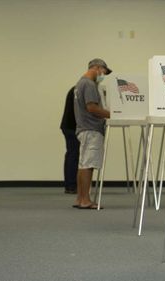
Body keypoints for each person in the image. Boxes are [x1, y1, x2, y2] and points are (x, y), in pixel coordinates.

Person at [72, 58, 112, 209]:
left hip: (83, 128)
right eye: (103, 71)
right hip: (91, 129)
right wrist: (112, 114)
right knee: (89, 165)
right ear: (96, 67)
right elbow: (92, 108)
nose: (103, 75)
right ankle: (86, 200)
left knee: (83, 165)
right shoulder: (89, 84)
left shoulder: (80, 83)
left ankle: (80, 198)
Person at [60, 86, 79, 194]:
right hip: (73, 126)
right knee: (73, 155)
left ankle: (70, 185)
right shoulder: (82, 88)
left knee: (71, 155)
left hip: (69, 125)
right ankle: (71, 185)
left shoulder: (76, 88)